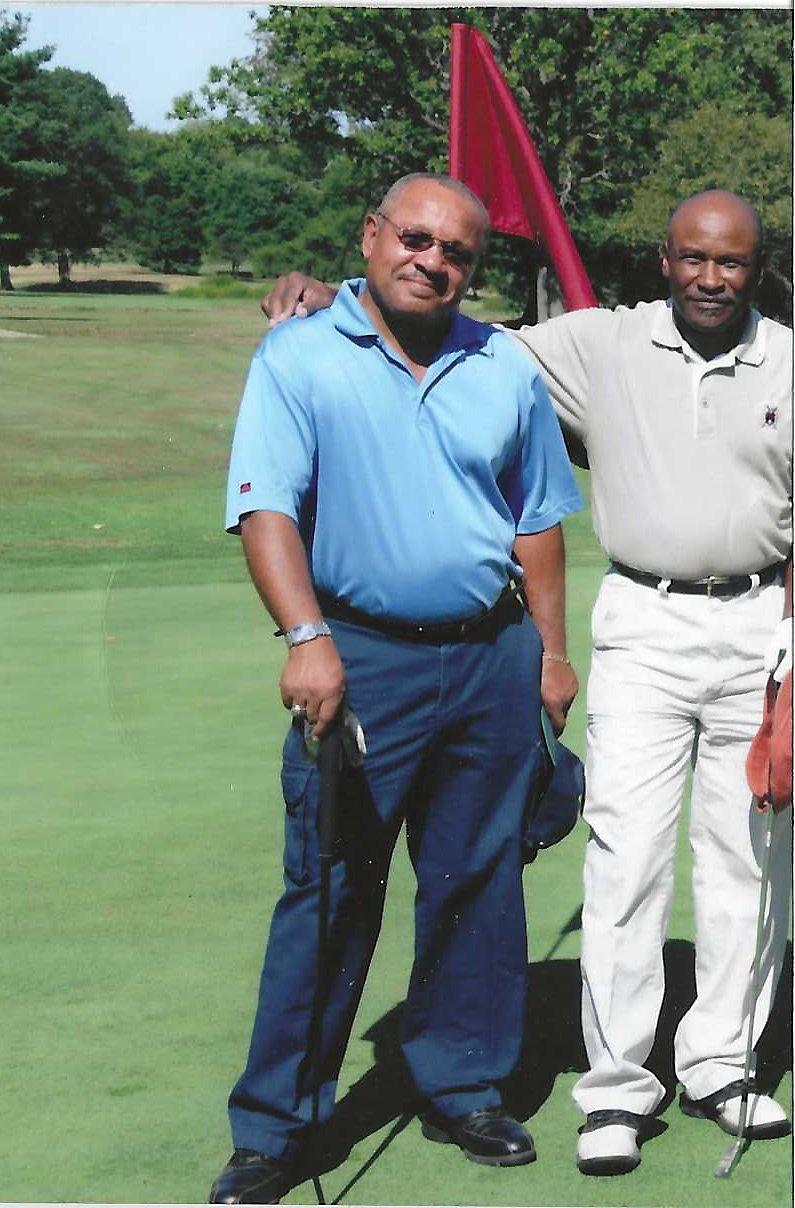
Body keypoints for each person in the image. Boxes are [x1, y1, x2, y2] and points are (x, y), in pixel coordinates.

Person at [263, 188, 793, 1177]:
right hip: (643, 615)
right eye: (693, 258)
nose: (712, 278)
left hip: (765, 619)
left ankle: (721, 1059)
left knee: (751, 854)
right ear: (663, 259)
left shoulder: (792, 360)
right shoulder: (599, 341)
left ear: (758, 266)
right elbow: (438, 321)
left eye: (733, 262)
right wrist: (319, 293)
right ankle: (618, 1083)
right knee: (625, 854)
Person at [210, 172, 582, 1204]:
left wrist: (549, 653)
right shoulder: (297, 353)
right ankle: (277, 1127)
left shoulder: (503, 362)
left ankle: (464, 1079)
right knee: (329, 887)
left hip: (491, 653)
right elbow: (267, 507)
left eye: (457, 250)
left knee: (477, 882)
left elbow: (538, 518)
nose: (433, 259)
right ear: (372, 238)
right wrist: (307, 634)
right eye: (414, 237)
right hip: (360, 653)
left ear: (475, 266)